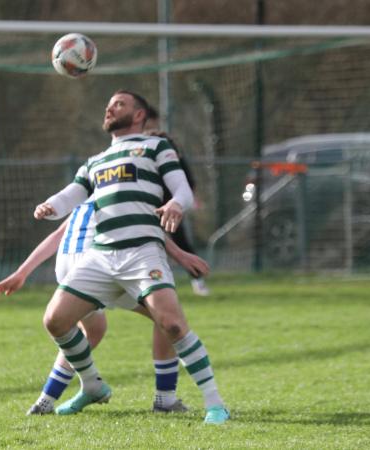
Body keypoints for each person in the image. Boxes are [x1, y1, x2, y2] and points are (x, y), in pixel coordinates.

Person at [33, 90, 230, 424]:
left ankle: (215, 404)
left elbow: (182, 190)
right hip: (100, 256)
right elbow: (71, 196)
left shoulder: (156, 147)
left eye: (119, 103)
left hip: (143, 253)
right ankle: (92, 384)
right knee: (55, 320)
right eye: (108, 104)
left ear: (139, 114)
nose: (110, 107)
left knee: (172, 324)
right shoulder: (95, 161)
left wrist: (175, 204)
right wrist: (51, 206)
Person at [0, 198, 210, 415]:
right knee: (164, 318)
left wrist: (22, 272)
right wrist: (181, 255)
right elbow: (146, 228)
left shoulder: (84, 197)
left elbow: (57, 235)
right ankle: (165, 399)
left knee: (93, 330)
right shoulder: (121, 193)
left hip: (66, 267)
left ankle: (49, 398)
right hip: (98, 265)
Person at [144, 110, 210, 296]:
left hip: (169, 208)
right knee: (146, 244)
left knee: (181, 244)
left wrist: (182, 200)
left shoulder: (168, 150)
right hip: (146, 208)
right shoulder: (138, 151)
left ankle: (198, 281)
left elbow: (187, 181)